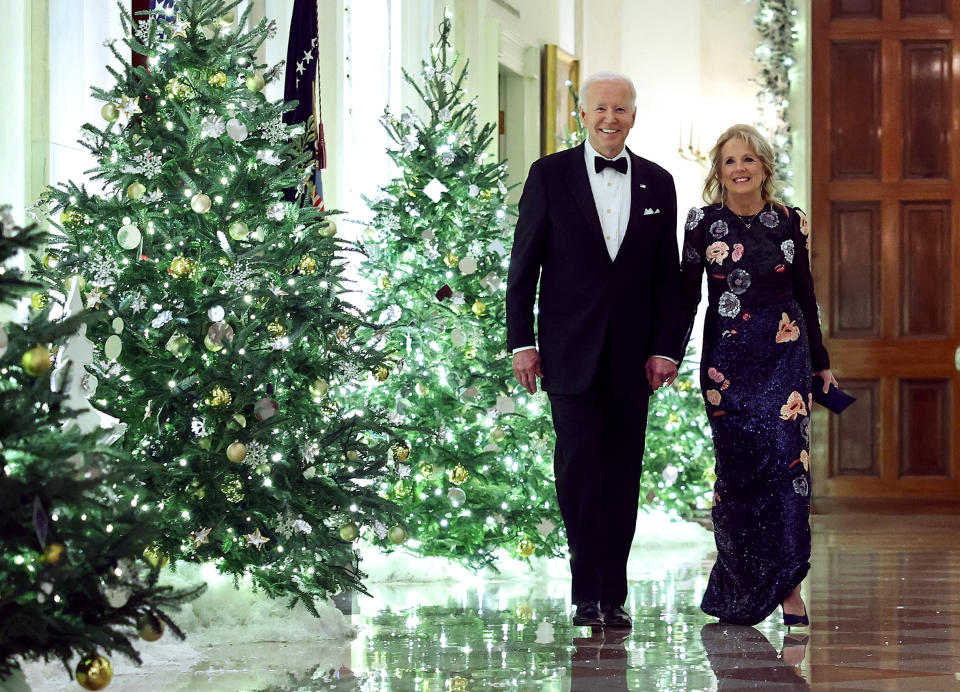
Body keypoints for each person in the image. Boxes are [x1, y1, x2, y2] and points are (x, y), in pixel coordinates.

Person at [506, 71, 682, 629]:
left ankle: (614, 593)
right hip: (568, 352)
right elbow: (523, 266)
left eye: (622, 109)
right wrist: (522, 343)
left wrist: (665, 348)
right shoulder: (549, 175)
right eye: (601, 108)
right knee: (579, 470)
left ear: (635, 116)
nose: (612, 119)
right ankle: (587, 592)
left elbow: (667, 279)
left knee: (623, 473)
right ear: (582, 114)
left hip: (634, 358)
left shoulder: (659, 182)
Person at [676, 124, 838, 627]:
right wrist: (665, 354)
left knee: (787, 473)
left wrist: (821, 363)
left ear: (765, 166)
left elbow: (806, 294)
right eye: (730, 161)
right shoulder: (701, 223)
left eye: (749, 159)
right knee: (738, 476)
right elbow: (685, 298)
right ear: (718, 171)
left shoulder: (791, 221)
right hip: (726, 365)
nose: (740, 168)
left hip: (785, 358)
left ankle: (788, 588)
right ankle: (740, 588)